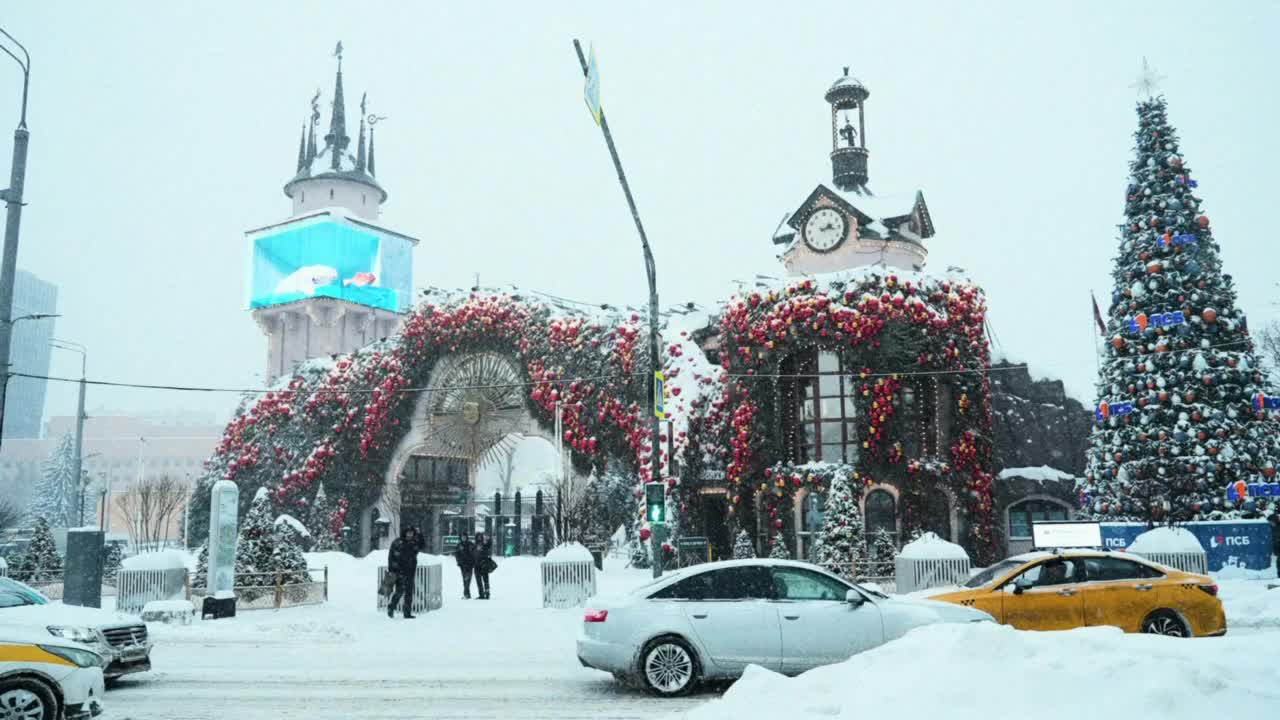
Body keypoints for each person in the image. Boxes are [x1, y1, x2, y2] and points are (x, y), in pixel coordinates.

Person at [386, 526, 419, 619]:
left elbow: (421, 546)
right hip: (399, 571)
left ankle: (407, 612)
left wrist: (419, 534)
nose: (410, 534)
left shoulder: (414, 542)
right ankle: (391, 607)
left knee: (409, 592)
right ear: (405, 533)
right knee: (400, 591)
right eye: (408, 533)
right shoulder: (397, 542)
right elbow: (391, 556)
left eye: (411, 533)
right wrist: (392, 569)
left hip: (410, 571)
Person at [454, 534, 476, 599]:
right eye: (462, 537)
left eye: (465, 537)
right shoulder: (459, 545)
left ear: (467, 537)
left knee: (468, 579)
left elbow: (474, 553)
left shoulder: (471, 544)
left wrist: (474, 562)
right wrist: (458, 562)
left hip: (470, 564)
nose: (463, 538)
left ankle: (466, 594)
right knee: (465, 579)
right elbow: (456, 554)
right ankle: (467, 594)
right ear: (461, 538)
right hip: (462, 565)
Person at [473, 531, 494, 600]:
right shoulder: (474, 545)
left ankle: (487, 593)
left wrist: (488, 539)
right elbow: (472, 554)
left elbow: (489, 544)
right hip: (476, 565)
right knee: (478, 581)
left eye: (480, 536)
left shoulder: (484, 543)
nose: (479, 538)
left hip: (484, 564)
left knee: (486, 580)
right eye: (477, 536)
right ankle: (481, 594)